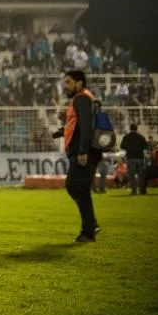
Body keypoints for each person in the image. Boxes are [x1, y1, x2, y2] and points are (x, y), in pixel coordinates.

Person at [53, 70, 102, 242]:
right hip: (89, 151)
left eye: (68, 82)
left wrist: (82, 152)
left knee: (74, 186)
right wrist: (62, 132)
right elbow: (80, 125)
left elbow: (86, 127)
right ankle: (90, 226)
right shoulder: (85, 98)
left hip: (84, 152)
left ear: (79, 83)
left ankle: (89, 230)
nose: (65, 86)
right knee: (79, 188)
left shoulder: (81, 98)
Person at [119, 124, 149, 195]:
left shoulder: (126, 137)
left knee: (132, 175)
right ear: (136, 128)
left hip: (131, 158)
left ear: (130, 128)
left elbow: (122, 146)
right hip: (140, 157)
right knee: (141, 175)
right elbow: (145, 147)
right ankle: (142, 191)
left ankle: (134, 190)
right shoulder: (141, 137)